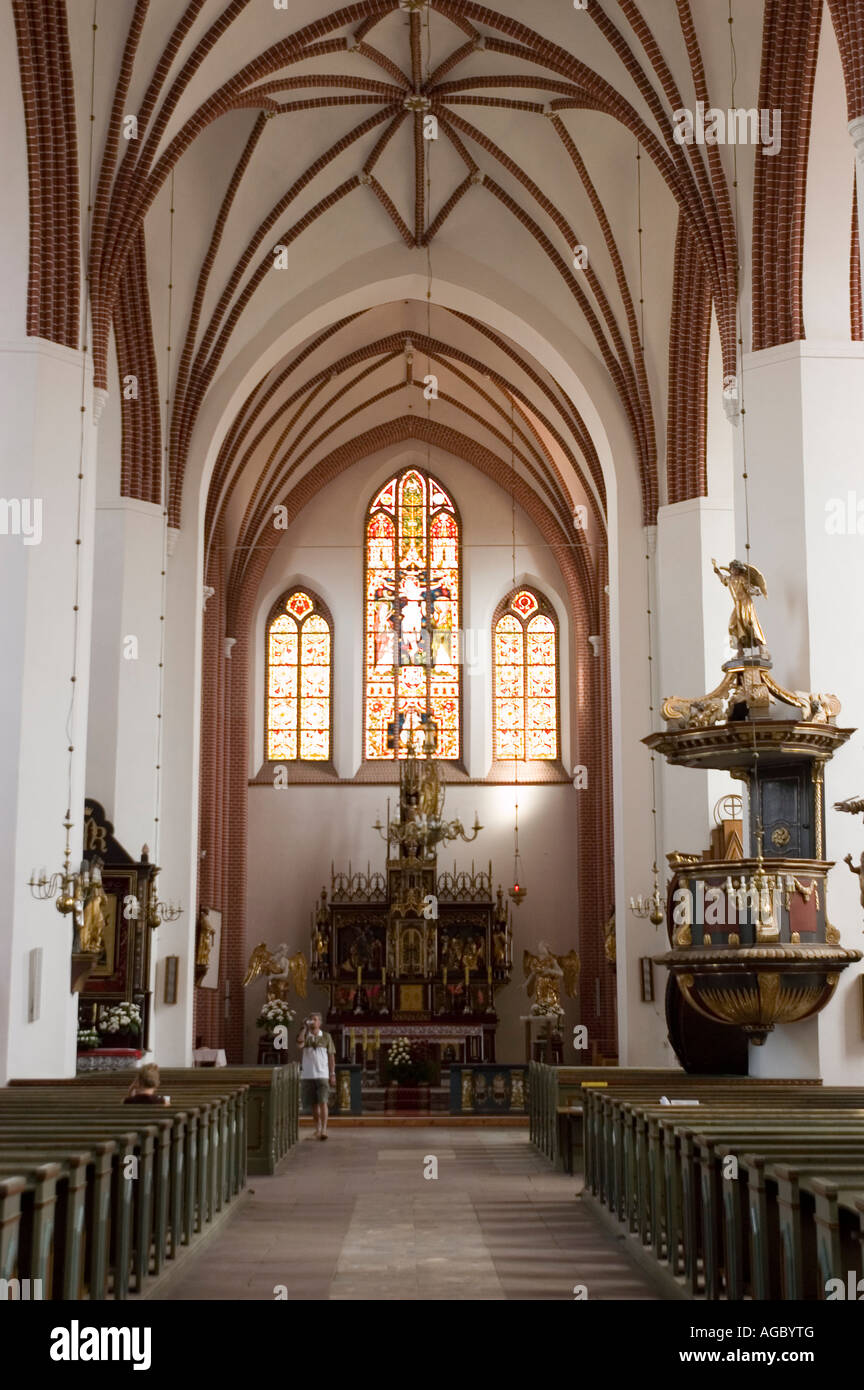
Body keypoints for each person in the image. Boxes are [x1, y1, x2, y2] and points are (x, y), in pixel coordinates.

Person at [297, 1012, 336, 1140]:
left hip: (322, 1074)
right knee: (314, 1104)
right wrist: (304, 1029)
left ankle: (324, 1128)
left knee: (323, 1102)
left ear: (320, 1022)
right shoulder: (305, 1035)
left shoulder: (326, 1037)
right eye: (311, 1020)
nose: (313, 1022)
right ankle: (317, 1128)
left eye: (315, 1020)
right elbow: (300, 1044)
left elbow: (331, 1056)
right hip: (308, 1075)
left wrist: (332, 1073)